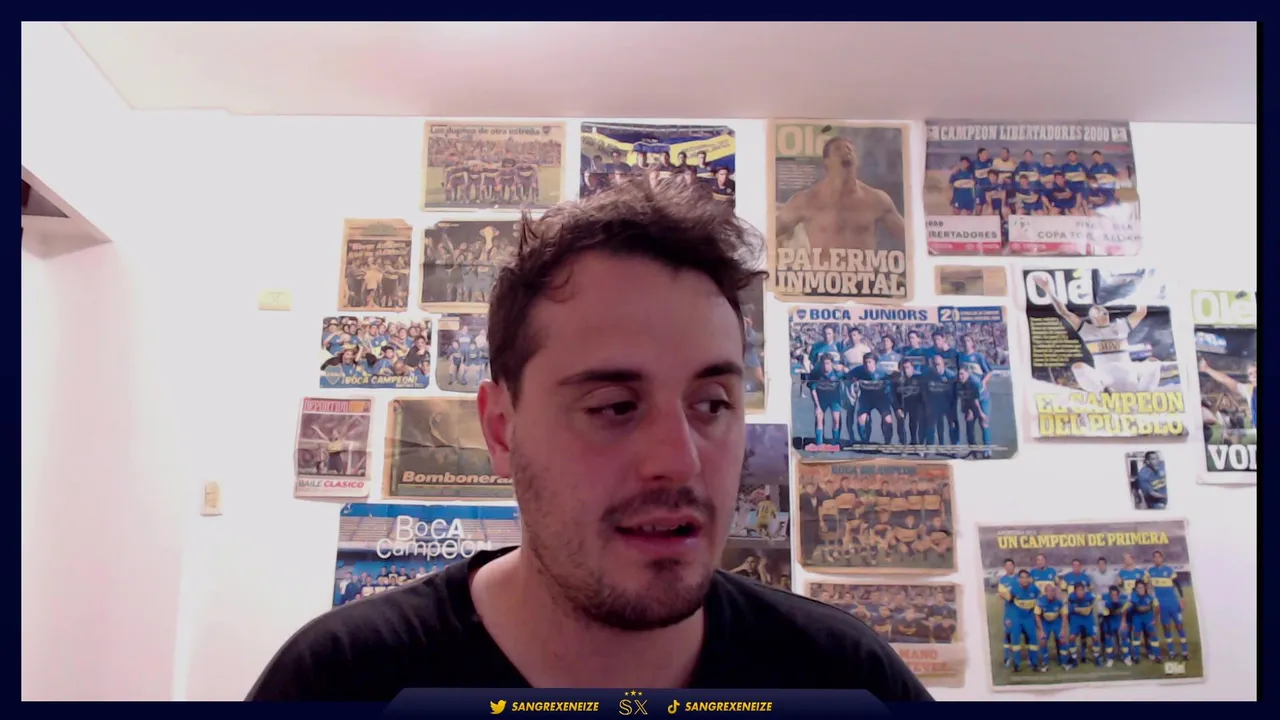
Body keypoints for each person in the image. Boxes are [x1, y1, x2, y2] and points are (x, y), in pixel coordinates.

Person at [248, 179, 932, 700]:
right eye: (614, 406)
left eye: (712, 404)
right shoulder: (343, 681)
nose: (679, 461)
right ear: (501, 429)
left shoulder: (846, 678)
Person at [775, 136, 906, 253]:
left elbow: (909, 237)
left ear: (857, 160)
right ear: (826, 162)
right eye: (838, 149)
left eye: (849, 149)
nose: (846, 152)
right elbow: (770, 232)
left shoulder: (876, 200)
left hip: (863, 272)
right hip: (822, 273)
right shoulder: (805, 200)